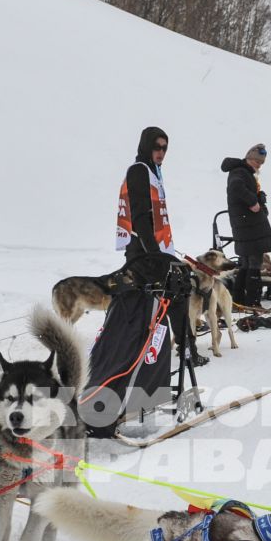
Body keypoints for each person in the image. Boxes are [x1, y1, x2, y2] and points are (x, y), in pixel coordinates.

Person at [81, 126, 192, 439]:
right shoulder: (139, 171)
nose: (161, 152)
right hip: (144, 260)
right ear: (146, 146)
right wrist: (157, 257)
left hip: (152, 258)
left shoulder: (152, 172)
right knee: (139, 329)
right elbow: (142, 219)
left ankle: (150, 395)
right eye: (157, 146)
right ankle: (112, 404)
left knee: (156, 325)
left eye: (165, 148)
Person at [221, 142, 271, 307]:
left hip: (245, 224)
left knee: (246, 263)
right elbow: (236, 187)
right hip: (248, 224)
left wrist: (259, 199)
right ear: (249, 158)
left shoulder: (243, 172)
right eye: (256, 161)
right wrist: (253, 202)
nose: (258, 165)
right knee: (254, 262)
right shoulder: (240, 172)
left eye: (261, 163)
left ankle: (238, 300)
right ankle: (252, 302)